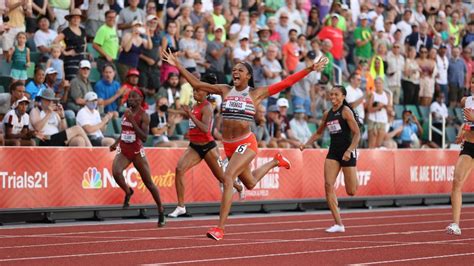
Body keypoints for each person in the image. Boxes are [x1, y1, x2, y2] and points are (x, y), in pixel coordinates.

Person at [161, 47, 328, 240]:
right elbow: (196, 83)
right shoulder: (224, 89)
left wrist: (310, 68)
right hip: (229, 145)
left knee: (228, 176)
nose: (235, 72)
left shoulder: (256, 93)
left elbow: (286, 82)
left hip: (246, 143)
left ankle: (220, 228)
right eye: (234, 70)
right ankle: (275, 161)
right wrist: (177, 65)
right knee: (249, 183)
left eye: (240, 70)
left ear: (248, 75)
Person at [168, 73, 243, 218]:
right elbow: (190, 115)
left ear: (206, 92)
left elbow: (204, 128)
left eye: (198, 90)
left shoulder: (207, 107)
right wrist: (175, 112)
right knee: (179, 169)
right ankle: (181, 206)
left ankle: (239, 186)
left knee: (222, 177)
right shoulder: (195, 106)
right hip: (194, 146)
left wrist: (189, 116)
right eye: (194, 90)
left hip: (208, 147)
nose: (195, 92)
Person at [300, 85, 361, 233]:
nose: (333, 97)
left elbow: (357, 134)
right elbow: (319, 133)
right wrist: (306, 144)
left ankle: (354, 174)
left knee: (351, 191)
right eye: (331, 94)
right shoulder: (327, 113)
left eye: (336, 94)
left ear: (343, 96)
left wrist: (350, 150)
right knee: (328, 185)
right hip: (333, 151)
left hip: (347, 151)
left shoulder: (346, 112)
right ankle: (339, 224)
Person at [109, 87, 165, 227]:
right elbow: (124, 131)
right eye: (129, 97)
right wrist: (116, 143)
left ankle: (161, 210)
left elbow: (145, 137)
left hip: (137, 152)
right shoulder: (126, 113)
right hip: (124, 149)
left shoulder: (144, 115)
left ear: (141, 100)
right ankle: (128, 191)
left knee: (149, 183)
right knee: (116, 172)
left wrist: (132, 120)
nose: (131, 99)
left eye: (134, 97)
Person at [447, 76, 474, 236]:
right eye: (472, 82)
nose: (472, 85)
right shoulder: (466, 100)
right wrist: (461, 133)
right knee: (457, 181)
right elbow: (467, 124)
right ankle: (455, 224)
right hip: (470, 146)